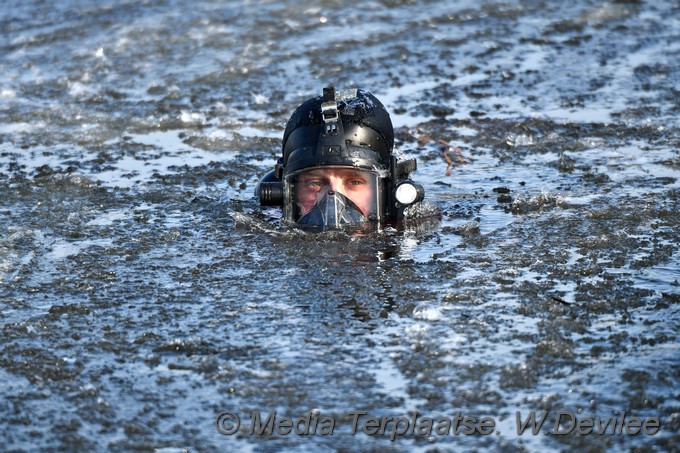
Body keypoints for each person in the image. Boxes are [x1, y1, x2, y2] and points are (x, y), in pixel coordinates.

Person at [256, 87, 425, 229]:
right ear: (287, 194)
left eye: (355, 182)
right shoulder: (264, 226)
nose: (334, 203)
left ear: (386, 192)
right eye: (314, 183)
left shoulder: (416, 227)